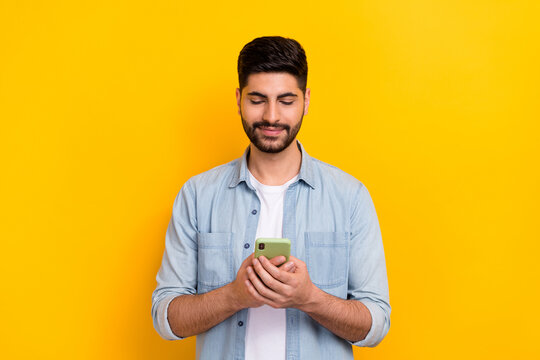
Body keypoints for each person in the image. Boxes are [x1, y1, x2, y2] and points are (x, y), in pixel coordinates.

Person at [151, 36, 390, 360]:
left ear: (306, 100)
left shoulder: (350, 197)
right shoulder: (197, 195)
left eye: (286, 100)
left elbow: (375, 325)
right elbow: (166, 319)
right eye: (258, 99)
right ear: (239, 99)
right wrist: (234, 296)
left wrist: (310, 298)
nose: (272, 116)